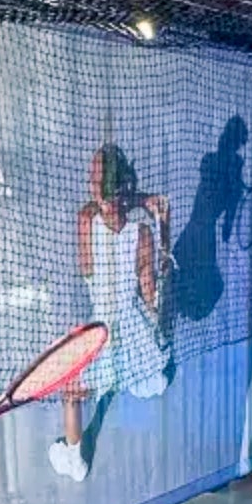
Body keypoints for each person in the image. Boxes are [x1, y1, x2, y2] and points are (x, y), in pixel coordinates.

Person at [50, 142, 173, 481]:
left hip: (102, 332)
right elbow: (150, 293)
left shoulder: (86, 220)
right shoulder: (143, 232)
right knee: (150, 381)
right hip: (135, 332)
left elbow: (101, 206)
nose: (91, 181)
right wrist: (146, 204)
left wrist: (131, 198)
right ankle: (137, 370)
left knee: (71, 389)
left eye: (94, 176)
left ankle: (75, 457)